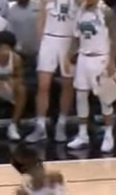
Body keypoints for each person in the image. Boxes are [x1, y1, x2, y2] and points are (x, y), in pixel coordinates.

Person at [66, 0, 116, 152]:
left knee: (105, 99)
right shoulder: (79, 11)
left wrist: (112, 61)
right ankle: (82, 134)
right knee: (81, 96)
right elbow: (76, 36)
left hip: (101, 58)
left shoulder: (106, 11)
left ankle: (109, 135)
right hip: (83, 58)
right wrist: (69, 54)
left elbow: (114, 38)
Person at [25, 0, 79, 143]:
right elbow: (41, 18)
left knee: (68, 86)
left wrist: (74, 47)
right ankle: (40, 126)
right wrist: (41, 42)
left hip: (69, 40)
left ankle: (61, 124)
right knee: (43, 85)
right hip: (49, 39)